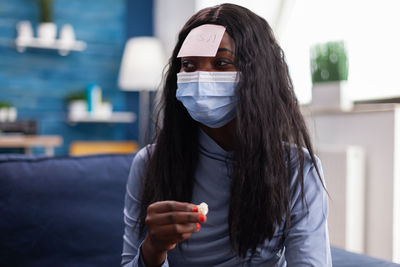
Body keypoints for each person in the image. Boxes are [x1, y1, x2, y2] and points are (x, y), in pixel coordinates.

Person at [122, 3, 331, 267]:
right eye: (188, 65)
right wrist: (153, 249)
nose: (200, 77)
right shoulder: (150, 163)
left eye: (221, 63)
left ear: (257, 74)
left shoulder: (297, 167)